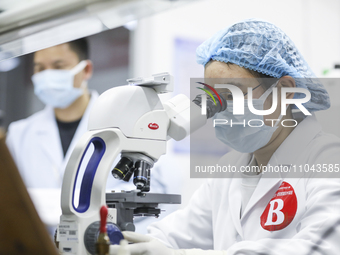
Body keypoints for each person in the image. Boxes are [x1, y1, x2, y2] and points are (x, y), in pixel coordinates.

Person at [110, 19, 340, 254]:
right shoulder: (229, 169)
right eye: (213, 98)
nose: (222, 109)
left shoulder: (328, 159)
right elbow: (171, 236)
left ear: (285, 90)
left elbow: (321, 249)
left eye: (233, 93)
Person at [5, 39, 168, 232]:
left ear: (86, 70)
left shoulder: (128, 123)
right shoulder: (19, 134)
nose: (47, 75)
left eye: (58, 67)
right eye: (40, 69)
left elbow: (155, 195)